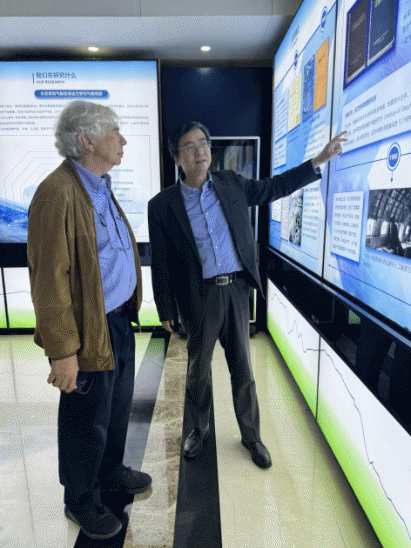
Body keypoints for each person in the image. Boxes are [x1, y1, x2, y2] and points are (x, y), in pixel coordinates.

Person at [148, 121, 347, 468]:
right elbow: (161, 261)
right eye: (190, 146)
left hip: (237, 292)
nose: (200, 151)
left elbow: (275, 187)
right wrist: (165, 307)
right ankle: (198, 430)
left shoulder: (231, 184)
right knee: (197, 371)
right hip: (198, 297)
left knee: (243, 369)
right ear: (177, 158)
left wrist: (317, 161)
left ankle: (252, 436)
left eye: (203, 142)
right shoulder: (162, 205)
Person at [27, 100, 152, 540]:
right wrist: (63, 353)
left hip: (116, 323)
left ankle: (111, 472)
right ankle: (80, 498)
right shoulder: (56, 192)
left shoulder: (98, 185)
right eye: (114, 132)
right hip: (86, 333)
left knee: (116, 409)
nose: (123, 140)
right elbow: (48, 281)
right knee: (86, 420)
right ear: (87, 140)